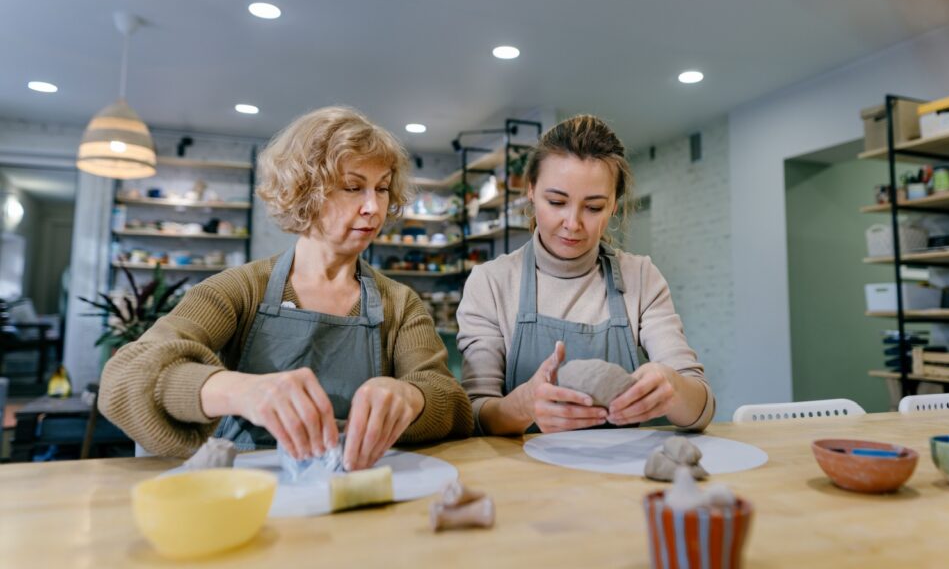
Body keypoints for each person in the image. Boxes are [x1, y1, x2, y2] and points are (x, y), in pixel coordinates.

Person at [100, 106, 473, 468]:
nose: (373, 207)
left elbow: (452, 403)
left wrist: (413, 395)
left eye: (382, 188)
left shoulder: (399, 303)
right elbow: (126, 376)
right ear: (304, 191)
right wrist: (243, 391)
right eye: (352, 187)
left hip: (353, 493)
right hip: (248, 500)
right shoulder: (240, 289)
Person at [456, 115, 714, 435]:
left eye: (593, 207)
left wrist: (672, 387)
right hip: (522, 476)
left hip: (618, 474)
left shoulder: (640, 276)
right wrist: (522, 406)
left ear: (613, 207)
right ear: (531, 192)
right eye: (556, 202)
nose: (573, 223)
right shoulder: (491, 283)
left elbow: (701, 410)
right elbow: (475, 412)